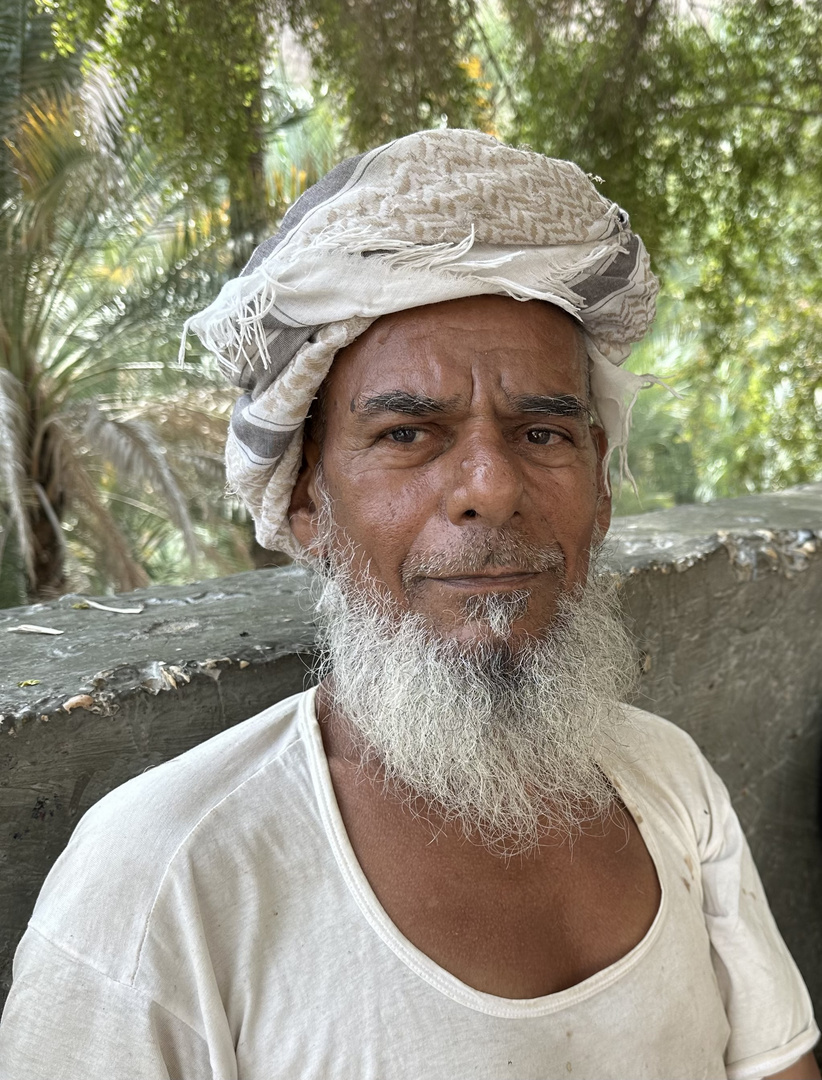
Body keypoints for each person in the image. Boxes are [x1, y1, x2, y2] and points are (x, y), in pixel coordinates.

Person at [0, 129, 818, 1080]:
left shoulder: (669, 781)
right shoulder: (162, 882)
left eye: (543, 430)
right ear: (305, 500)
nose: (491, 488)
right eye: (409, 434)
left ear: (598, 494)